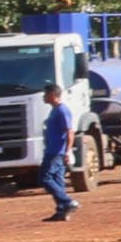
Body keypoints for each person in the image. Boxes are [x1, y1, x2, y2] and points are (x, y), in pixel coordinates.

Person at [38, 84, 81, 222]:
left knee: (45, 178)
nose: (44, 97)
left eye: (45, 94)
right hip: (53, 149)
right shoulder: (55, 110)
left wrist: (68, 151)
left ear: (52, 94)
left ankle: (67, 201)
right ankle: (62, 210)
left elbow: (69, 131)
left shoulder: (62, 110)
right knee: (58, 180)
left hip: (56, 151)